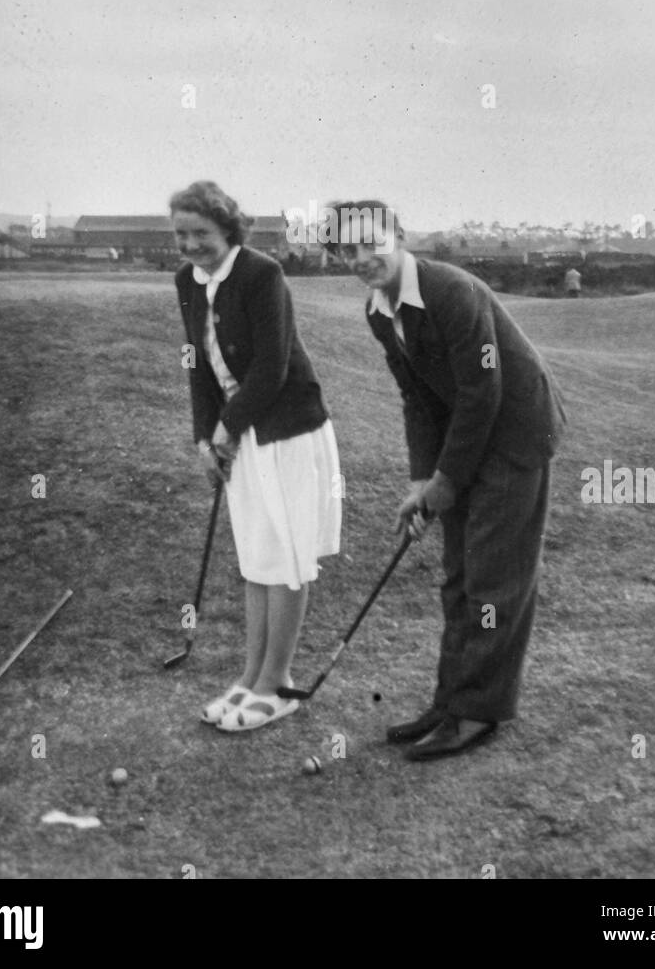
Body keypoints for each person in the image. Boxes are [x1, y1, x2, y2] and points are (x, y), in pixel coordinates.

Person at [323, 200, 566, 761]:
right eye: (347, 249)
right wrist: (420, 480)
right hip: (469, 433)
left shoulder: (451, 290)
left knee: (493, 578)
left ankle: (479, 711)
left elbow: (485, 393)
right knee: (459, 577)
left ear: (399, 236)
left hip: (515, 434)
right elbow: (418, 398)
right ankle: (450, 702)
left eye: (371, 242)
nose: (361, 258)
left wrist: (446, 482)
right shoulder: (379, 311)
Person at [172, 180, 342, 732]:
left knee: (288, 556)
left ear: (227, 228)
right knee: (258, 558)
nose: (191, 244)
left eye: (201, 232)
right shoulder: (187, 281)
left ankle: (278, 683)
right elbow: (198, 366)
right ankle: (250, 677)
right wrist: (204, 437)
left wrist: (227, 428)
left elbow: (272, 367)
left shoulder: (262, 274)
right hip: (238, 434)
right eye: (181, 234)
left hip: (287, 429)